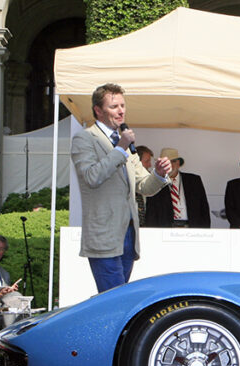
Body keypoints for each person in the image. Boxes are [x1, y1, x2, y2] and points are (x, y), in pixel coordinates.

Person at [70, 83, 170, 294]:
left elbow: (144, 186)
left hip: (128, 234)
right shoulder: (85, 138)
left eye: (123, 105)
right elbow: (91, 177)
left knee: (120, 297)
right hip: (104, 236)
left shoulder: (122, 142)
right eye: (114, 106)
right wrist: (120, 148)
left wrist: (159, 173)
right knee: (114, 300)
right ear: (98, 110)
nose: (121, 110)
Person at [144, 148, 210, 228]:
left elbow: (204, 209)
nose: (169, 165)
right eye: (165, 163)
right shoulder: (155, 183)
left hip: (192, 230)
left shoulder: (194, 181)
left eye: (172, 162)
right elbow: (151, 213)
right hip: (165, 231)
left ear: (178, 163)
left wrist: (204, 231)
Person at [135, 145, 154, 226]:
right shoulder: (126, 182)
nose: (150, 165)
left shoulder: (151, 182)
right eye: (147, 161)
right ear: (137, 163)